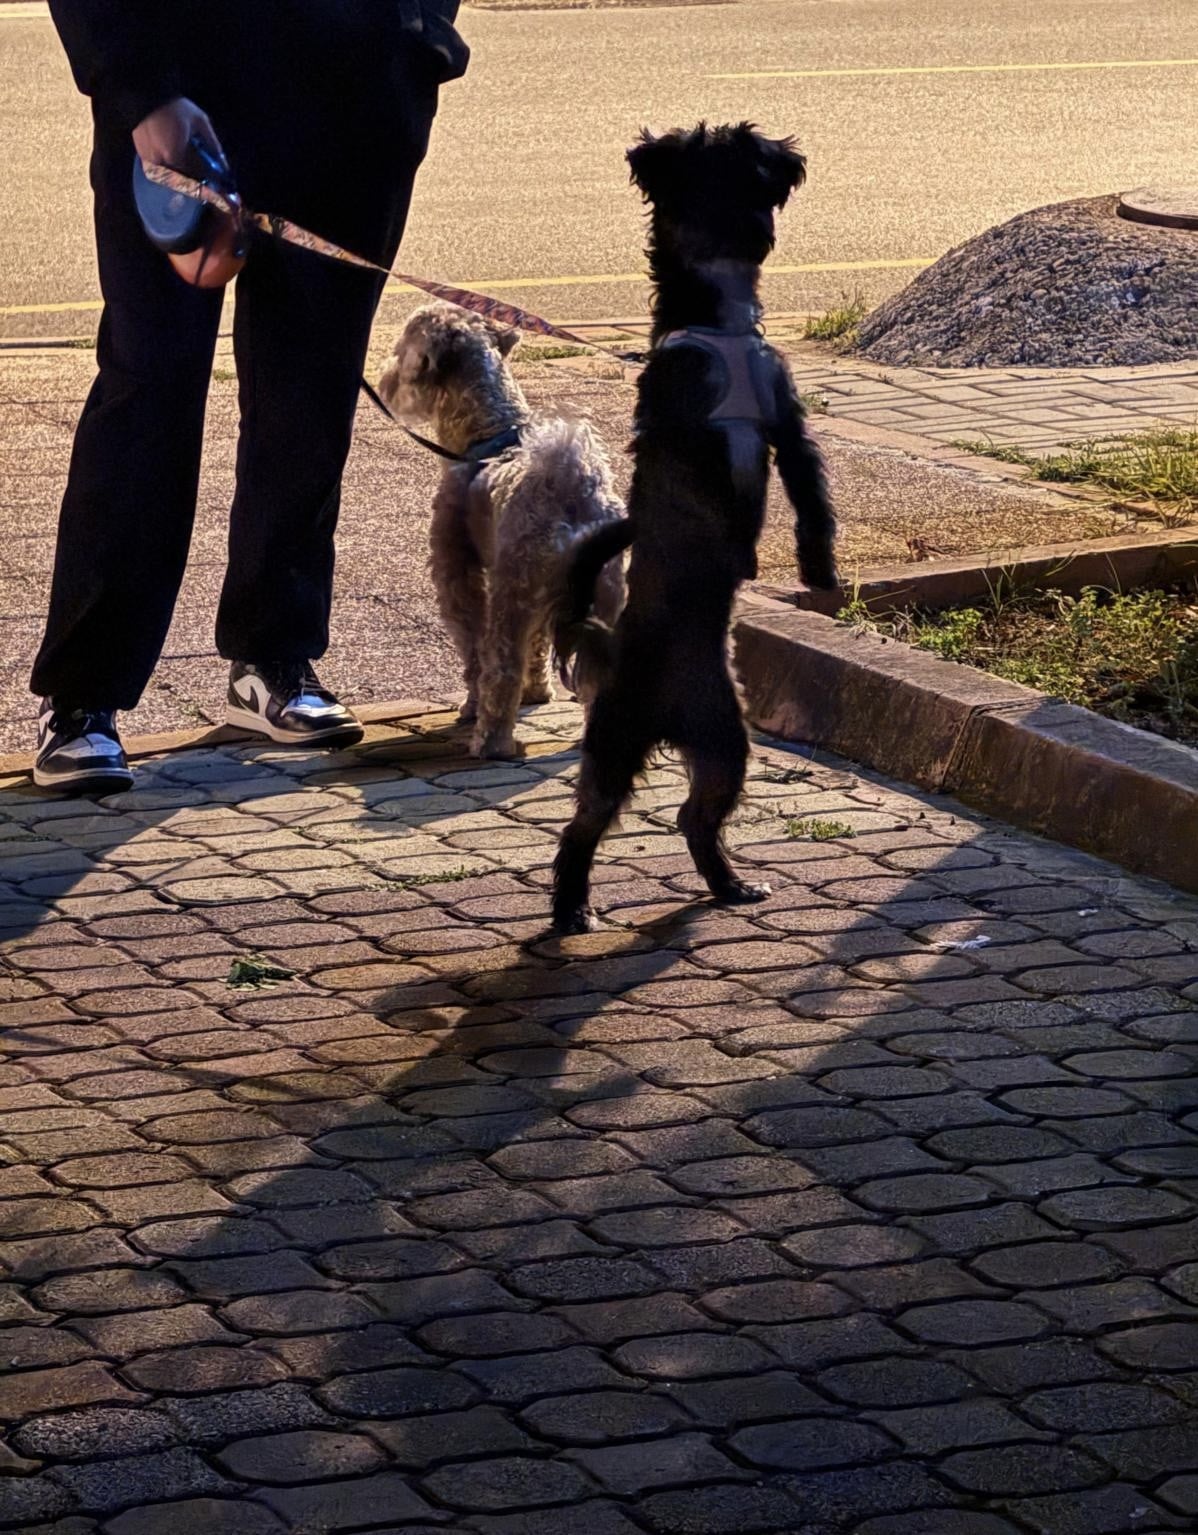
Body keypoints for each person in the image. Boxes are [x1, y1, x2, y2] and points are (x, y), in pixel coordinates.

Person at [33, 1, 468, 793]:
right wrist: (139, 89)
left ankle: (274, 657)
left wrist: (417, 43)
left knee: (310, 396)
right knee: (150, 388)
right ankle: (83, 695)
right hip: (184, 93)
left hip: (356, 101)